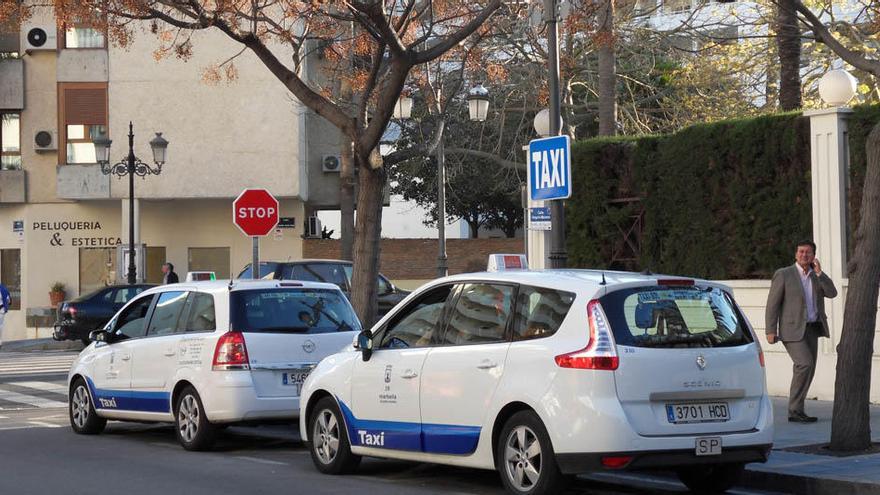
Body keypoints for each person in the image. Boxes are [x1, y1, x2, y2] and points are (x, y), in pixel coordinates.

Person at [765, 240, 838, 423]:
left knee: (810, 369)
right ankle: (794, 410)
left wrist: (820, 273)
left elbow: (832, 293)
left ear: (814, 256)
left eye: (808, 252)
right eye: (801, 251)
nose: (804, 255)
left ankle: (798, 410)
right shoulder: (784, 274)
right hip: (792, 329)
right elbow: (772, 304)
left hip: (812, 328)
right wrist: (770, 330)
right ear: (796, 254)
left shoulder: (816, 276)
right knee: (804, 364)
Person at [0, 282, 9, 348]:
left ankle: (0, 341)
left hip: (1, 309)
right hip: (2, 309)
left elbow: (8, 300)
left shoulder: (3, 289)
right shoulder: (4, 288)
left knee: (0, 326)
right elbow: (8, 300)